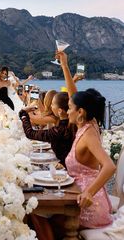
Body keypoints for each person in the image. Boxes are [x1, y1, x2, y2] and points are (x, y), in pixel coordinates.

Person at [57, 51, 116, 229]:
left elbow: (109, 166)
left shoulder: (89, 133)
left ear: (80, 112)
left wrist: (89, 193)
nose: (67, 112)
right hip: (76, 196)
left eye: (69, 108)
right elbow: (74, 97)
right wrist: (65, 66)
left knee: (40, 216)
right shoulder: (88, 124)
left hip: (88, 206)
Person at [19, 92, 76, 167]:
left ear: (60, 111)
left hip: (68, 168)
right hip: (66, 163)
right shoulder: (73, 124)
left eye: (53, 104)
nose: (51, 107)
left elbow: (30, 133)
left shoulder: (59, 130)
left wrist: (23, 114)